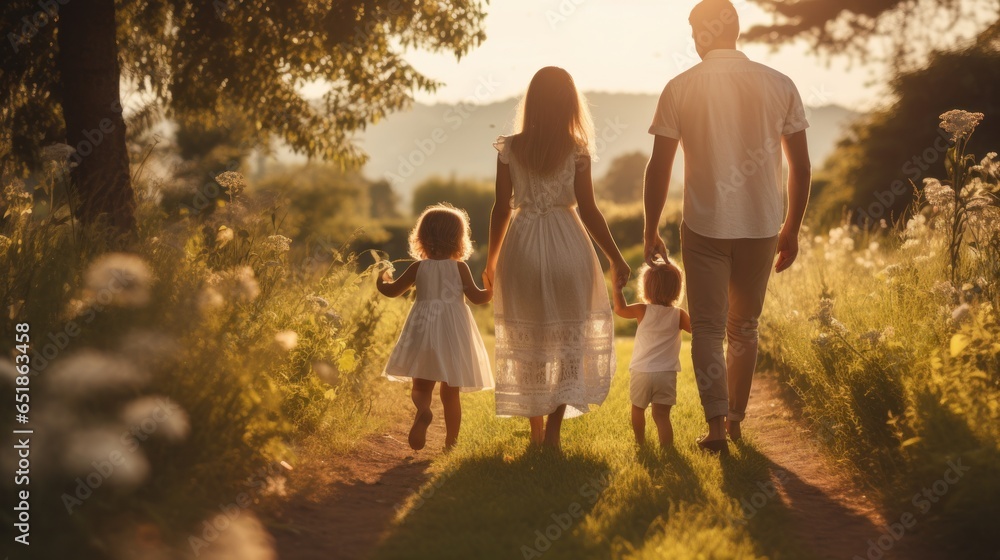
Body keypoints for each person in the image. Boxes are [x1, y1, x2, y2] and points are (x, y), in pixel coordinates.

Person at [643, 0, 812, 453]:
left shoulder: (680, 87)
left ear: (701, 34)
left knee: (709, 329)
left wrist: (649, 228)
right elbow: (800, 166)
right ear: (736, 30)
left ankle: (716, 425)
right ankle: (735, 422)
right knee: (745, 328)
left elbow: (659, 166)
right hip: (761, 225)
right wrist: (791, 226)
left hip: (703, 226)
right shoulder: (779, 84)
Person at [484, 66, 630, 452]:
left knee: (525, 340)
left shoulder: (511, 148)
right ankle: (552, 433)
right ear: (569, 103)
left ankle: (534, 431)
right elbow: (591, 210)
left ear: (531, 102)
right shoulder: (577, 149)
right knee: (569, 342)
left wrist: (491, 260)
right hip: (569, 246)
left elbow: (501, 208)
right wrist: (615, 257)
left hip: (522, 249)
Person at [379, 204, 494, 451]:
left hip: (423, 329)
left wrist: (383, 280)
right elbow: (477, 298)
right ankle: (450, 444)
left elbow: (392, 291)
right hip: (453, 331)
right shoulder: (460, 267)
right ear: (459, 239)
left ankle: (423, 410)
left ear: (421, 237)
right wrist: (491, 288)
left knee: (421, 384)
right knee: (451, 393)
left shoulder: (419, 267)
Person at [613, 259, 691, 447]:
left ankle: (641, 443)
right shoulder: (679, 314)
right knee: (662, 416)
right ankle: (667, 448)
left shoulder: (642, 309)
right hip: (666, 373)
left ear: (646, 288)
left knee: (638, 409)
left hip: (641, 371)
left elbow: (620, 310)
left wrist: (617, 290)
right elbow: (697, 328)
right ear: (677, 290)